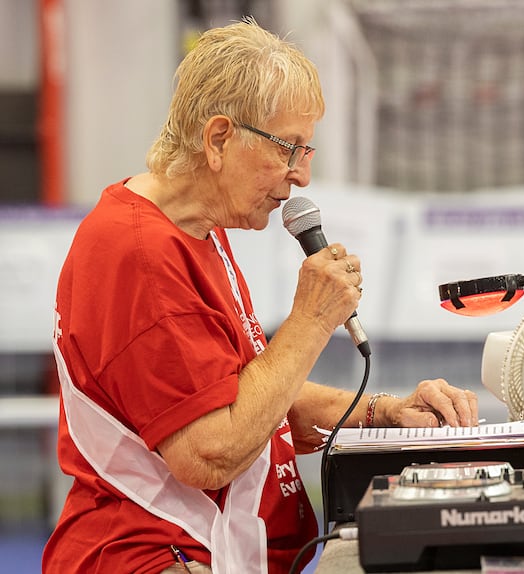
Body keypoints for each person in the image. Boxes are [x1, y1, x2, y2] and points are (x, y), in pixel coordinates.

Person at [42, 18, 479, 574]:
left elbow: (253, 400)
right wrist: (312, 320)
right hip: (157, 556)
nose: (301, 176)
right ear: (219, 138)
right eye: (288, 149)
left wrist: (383, 413)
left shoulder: (198, 229)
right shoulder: (140, 253)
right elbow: (211, 452)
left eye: (307, 149)